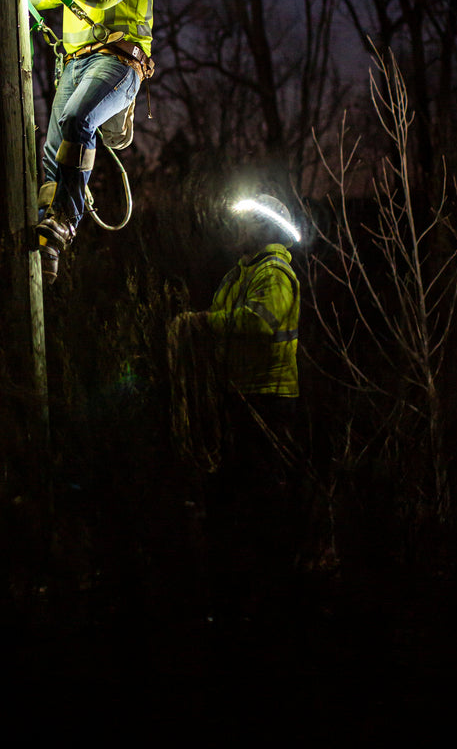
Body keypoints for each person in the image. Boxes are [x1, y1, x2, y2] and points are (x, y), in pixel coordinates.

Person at [167, 193, 302, 605]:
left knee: (264, 493)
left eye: (246, 224)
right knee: (236, 491)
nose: (238, 230)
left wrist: (203, 325)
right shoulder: (238, 274)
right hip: (241, 395)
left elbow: (259, 323)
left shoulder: (274, 273)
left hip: (268, 397)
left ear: (264, 230)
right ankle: (241, 584)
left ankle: (276, 583)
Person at [16, 0, 155, 283]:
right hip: (75, 65)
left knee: (78, 119)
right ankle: (48, 240)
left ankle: (66, 219)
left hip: (119, 62)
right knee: (51, 153)